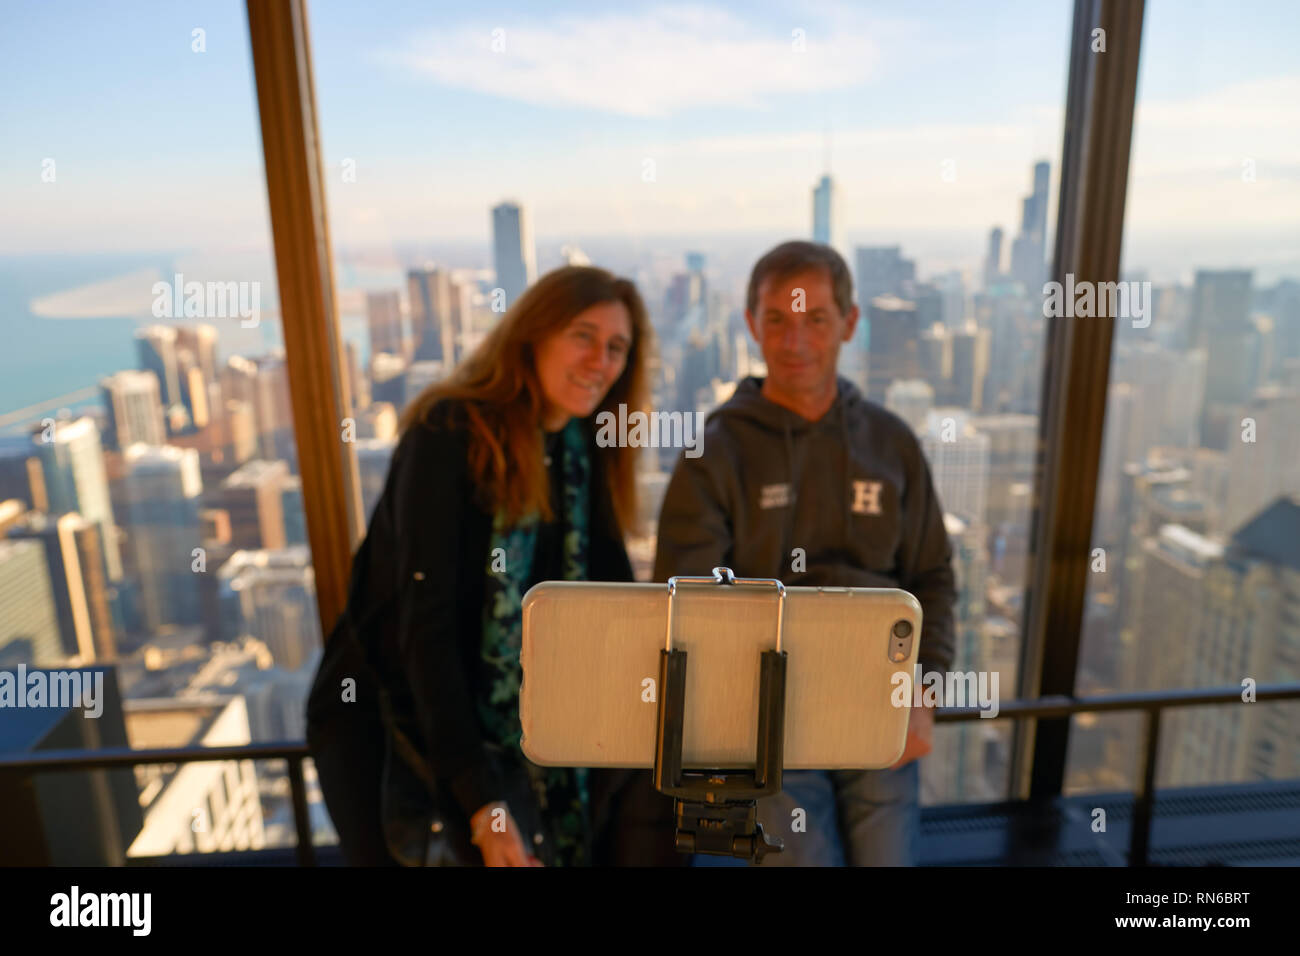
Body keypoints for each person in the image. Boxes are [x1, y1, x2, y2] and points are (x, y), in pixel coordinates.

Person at [309, 264, 683, 867]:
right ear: (533, 334)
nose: (600, 361)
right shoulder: (449, 432)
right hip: (399, 731)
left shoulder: (579, 451)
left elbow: (616, 605)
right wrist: (484, 804)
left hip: (521, 740)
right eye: (582, 336)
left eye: (617, 347)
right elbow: (423, 633)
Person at [653, 240, 957, 866]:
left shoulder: (891, 443)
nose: (795, 342)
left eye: (816, 319)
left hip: (879, 704)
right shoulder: (714, 453)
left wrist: (925, 687)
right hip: (766, 724)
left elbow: (932, 575)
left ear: (849, 323)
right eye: (777, 321)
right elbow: (686, 608)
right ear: (751, 326)